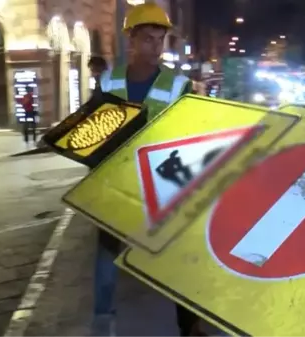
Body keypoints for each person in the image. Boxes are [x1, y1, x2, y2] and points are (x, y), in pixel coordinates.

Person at [92, 3, 211, 337]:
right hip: (115, 183)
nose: (155, 47)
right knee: (106, 260)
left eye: (160, 40)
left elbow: (191, 133)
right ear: (131, 38)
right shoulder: (108, 80)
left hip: (163, 184)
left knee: (177, 257)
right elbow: (94, 129)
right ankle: (103, 326)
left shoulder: (178, 84)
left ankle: (190, 328)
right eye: (148, 39)